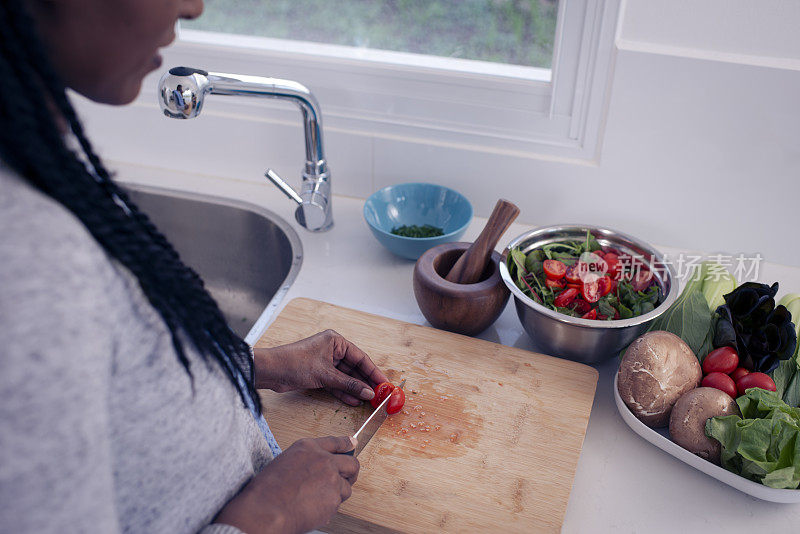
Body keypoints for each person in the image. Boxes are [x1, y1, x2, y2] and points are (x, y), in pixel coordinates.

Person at [0, 1, 389, 532]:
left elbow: (122, 384)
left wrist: (253, 366)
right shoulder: (25, 260)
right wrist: (268, 517)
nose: (194, 6)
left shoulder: (33, 158)